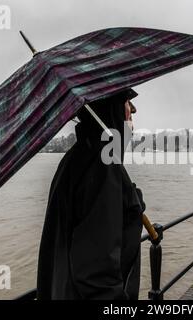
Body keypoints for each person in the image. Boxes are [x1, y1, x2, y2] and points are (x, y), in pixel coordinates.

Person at [37, 89, 145, 300]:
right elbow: (97, 277)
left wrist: (131, 200)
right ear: (111, 108)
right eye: (127, 104)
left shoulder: (75, 159)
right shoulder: (102, 168)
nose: (132, 110)